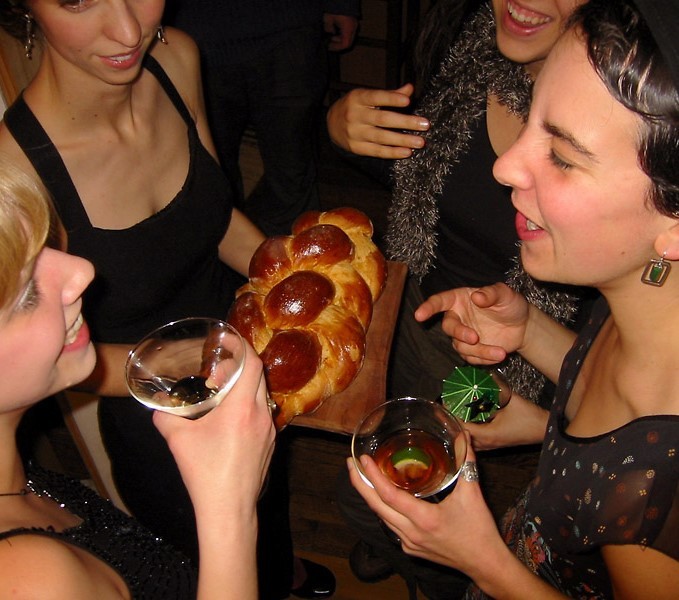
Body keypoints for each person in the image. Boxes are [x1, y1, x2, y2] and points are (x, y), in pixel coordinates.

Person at [0, 2, 332, 597]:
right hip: (155, 415)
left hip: (241, 348)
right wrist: (181, 359)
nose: (128, 31)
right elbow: (42, 357)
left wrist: (286, 285)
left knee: (267, 499)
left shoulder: (174, 58)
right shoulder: (14, 169)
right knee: (198, 552)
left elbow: (209, 215)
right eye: (78, 0)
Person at [349, 0, 679, 597]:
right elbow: (601, 393)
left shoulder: (654, 496)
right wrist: (532, 335)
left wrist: (485, 561)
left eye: (562, 155)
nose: (504, 167)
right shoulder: (637, 298)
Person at [329, 1, 591, 597]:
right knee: (377, 472)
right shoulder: (473, 44)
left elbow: (628, 385)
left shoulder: (626, 126)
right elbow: (422, 178)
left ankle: (428, 574)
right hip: (410, 308)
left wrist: (552, 423)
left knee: (411, 495)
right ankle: (393, 547)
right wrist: (343, 128)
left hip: (504, 363)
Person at [0, 157, 276, 599]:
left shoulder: (13, 479)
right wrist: (230, 510)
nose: (82, 271)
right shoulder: (32, 579)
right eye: (27, 292)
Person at [164, 0, 361, 236]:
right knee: (210, 181)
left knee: (291, 176)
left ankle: (298, 266)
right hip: (195, 32)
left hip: (290, 28)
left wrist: (343, 4)